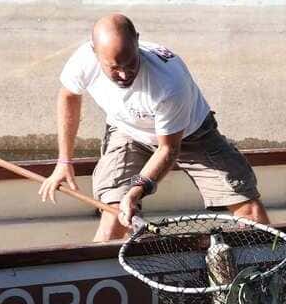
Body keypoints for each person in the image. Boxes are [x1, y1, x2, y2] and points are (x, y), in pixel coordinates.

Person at [38, 14, 269, 242]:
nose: (124, 74)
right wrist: (64, 162)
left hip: (191, 134)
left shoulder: (169, 82)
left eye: (130, 64)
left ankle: (240, 257)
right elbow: (69, 96)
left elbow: (168, 149)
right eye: (114, 68)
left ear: (137, 41)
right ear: (95, 52)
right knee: (114, 215)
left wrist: (135, 189)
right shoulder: (83, 61)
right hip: (127, 130)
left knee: (252, 215)